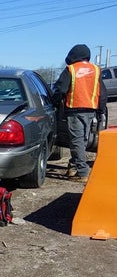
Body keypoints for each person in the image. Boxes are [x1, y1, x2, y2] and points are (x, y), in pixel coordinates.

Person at [53, 44, 106, 179]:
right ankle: (74, 166)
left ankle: (83, 172)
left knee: (77, 141)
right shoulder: (96, 70)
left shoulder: (71, 69)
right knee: (83, 140)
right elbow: (102, 92)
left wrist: (55, 103)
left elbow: (60, 90)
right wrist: (101, 111)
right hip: (91, 109)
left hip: (75, 109)